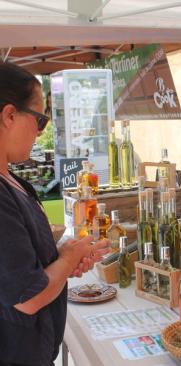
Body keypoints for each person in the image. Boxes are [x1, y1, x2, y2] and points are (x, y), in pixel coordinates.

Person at [0, 62, 110, 365]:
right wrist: (69, 259)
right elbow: (27, 298)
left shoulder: (14, 182)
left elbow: (26, 265)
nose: (39, 132)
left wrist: (62, 253)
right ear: (9, 115)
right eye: (40, 120)